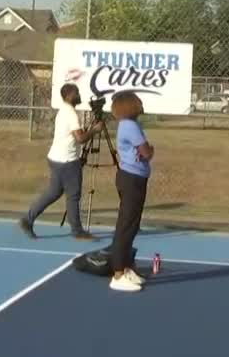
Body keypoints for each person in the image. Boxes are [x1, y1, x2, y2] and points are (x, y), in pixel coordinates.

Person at [19, 83, 99, 240]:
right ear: (69, 95)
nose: (79, 94)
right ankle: (77, 231)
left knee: (53, 193)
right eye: (76, 92)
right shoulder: (70, 114)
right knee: (73, 195)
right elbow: (81, 138)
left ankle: (28, 219)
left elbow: (76, 135)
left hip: (57, 158)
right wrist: (95, 130)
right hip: (67, 161)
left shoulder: (65, 111)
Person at [104, 90, 153, 292]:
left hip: (136, 178)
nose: (141, 103)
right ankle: (117, 274)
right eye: (137, 101)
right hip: (131, 179)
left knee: (132, 225)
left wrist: (147, 151)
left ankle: (126, 267)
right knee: (125, 226)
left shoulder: (131, 125)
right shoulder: (130, 126)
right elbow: (146, 152)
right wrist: (151, 150)